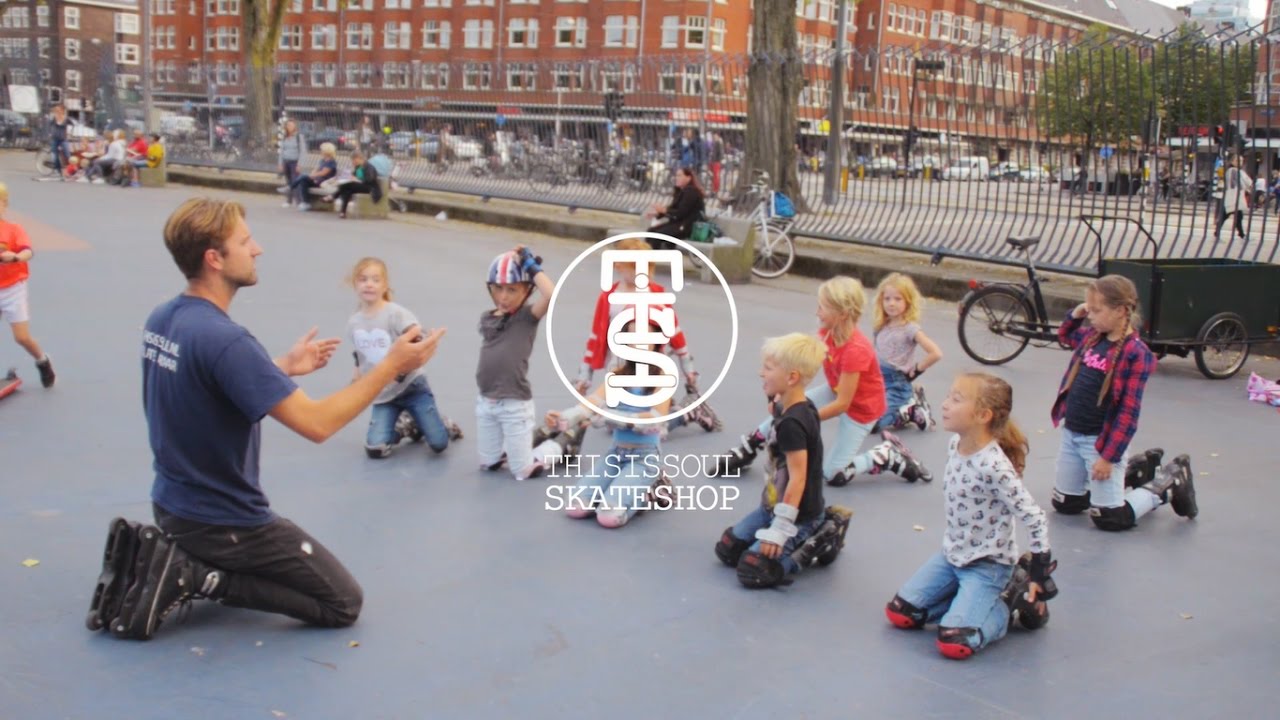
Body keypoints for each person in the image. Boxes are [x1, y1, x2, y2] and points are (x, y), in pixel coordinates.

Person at [89, 197, 444, 641]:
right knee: (341, 602)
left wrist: (279, 368)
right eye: (245, 241)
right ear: (214, 258)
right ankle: (197, 576)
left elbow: (205, 382)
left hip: (171, 507)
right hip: (224, 523)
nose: (257, 249)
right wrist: (392, 365)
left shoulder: (164, 317)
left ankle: (186, 557)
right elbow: (317, 423)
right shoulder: (228, 342)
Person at [884, 372, 1056, 660]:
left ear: (983, 415)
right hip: (952, 555)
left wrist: (1039, 570)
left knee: (955, 641)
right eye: (948, 396)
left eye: (956, 399)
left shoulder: (994, 467)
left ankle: (1009, 600)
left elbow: (1035, 517)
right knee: (902, 613)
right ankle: (968, 604)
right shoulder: (955, 444)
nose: (945, 404)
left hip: (987, 566)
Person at [711, 276, 931, 486]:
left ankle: (886, 455)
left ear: (842, 313)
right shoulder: (827, 332)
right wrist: (786, 394)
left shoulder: (856, 350)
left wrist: (803, 418)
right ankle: (750, 446)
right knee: (787, 407)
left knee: (834, 475)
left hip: (862, 409)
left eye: (823, 307)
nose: (817, 312)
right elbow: (807, 368)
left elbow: (843, 404)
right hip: (835, 389)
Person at [1049, 275, 1198, 532]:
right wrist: (1076, 313)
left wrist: (1108, 457)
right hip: (1073, 434)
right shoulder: (1093, 337)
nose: (1090, 316)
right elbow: (1065, 335)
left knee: (1109, 517)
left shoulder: (1135, 353)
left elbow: (1128, 413)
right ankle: (1135, 471)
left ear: (1120, 311)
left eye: (1096, 310)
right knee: (1066, 503)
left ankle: (1169, 481)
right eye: (1089, 310)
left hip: (1100, 442)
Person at [713, 333, 853, 589]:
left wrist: (780, 529)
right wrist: (772, 393)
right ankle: (780, 531)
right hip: (770, 506)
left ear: (791, 378)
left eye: (768, 368)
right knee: (727, 549)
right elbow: (774, 408)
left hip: (800, 515)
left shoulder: (793, 424)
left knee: (755, 569)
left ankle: (822, 536)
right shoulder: (791, 405)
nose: (761, 373)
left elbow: (797, 479)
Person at [574, 236, 719, 435]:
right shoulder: (608, 297)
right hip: (620, 364)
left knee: (652, 426)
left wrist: (689, 370)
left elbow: (675, 333)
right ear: (618, 265)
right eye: (635, 267)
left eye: (648, 267)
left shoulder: (655, 295)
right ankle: (669, 409)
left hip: (651, 365)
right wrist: (585, 375)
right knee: (613, 422)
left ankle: (687, 413)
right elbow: (595, 337)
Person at [550, 326, 675, 529]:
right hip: (615, 454)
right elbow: (591, 403)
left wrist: (611, 417)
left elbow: (655, 419)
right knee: (575, 507)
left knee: (608, 517)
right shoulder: (617, 375)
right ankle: (619, 491)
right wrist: (564, 417)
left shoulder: (662, 377)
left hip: (644, 458)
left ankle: (650, 492)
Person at [347, 257, 462, 458]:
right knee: (375, 449)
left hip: (412, 387)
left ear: (385, 285)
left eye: (375, 280)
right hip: (383, 394)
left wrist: (424, 341)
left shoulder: (395, 314)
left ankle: (440, 423)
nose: (369, 284)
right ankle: (407, 426)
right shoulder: (354, 322)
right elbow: (359, 353)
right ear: (354, 283)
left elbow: (415, 334)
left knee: (438, 444)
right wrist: (356, 377)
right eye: (363, 279)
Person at [476, 245, 558, 480]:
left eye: (512, 290)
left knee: (522, 471)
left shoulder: (527, 318)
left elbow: (551, 294)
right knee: (489, 463)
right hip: (486, 401)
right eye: (498, 288)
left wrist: (530, 266)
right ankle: (516, 448)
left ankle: (558, 447)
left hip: (514, 404)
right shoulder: (487, 317)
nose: (503, 296)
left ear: (526, 291)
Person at [872, 273, 942, 432]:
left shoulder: (910, 328)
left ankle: (910, 412)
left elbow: (936, 353)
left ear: (908, 302)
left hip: (896, 384)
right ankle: (902, 408)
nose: (891, 303)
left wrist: (916, 369)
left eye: (898, 299)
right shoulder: (881, 325)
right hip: (878, 381)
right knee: (858, 414)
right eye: (887, 299)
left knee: (872, 425)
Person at [0, 183, 55, 387]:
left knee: (21, 337)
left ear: (4, 204)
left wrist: (15, 257)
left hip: (12, 289)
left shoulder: (13, 229)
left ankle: (42, 361)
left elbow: (27, 252)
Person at [644, 167, 705, 249]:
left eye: (679, 176)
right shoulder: (681, 191)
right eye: (676, 176)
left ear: (688, 178)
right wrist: (658, 213)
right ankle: (650, 255)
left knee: (656, 236)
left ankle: (653, 256)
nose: (677, 178)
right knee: (651, 231)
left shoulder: (691, 192)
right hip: (678, 224)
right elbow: (673, 208)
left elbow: (680, 213)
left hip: (687, 226)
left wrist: (663, 210)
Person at [325, 150, 382, 219]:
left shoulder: (369, 167)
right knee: (347, 190)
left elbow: (370, 180)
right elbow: (354, 176)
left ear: (359, 158)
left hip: (369, 188)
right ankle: (342, 212)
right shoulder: (358, 167)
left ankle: (333, 196)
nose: (353, 162)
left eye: (354, 160)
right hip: (359, 186)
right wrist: (349, 177)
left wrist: (357, 179)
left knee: (348, 185)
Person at [290, 142, 338, 211]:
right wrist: (312, 175)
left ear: (326, 151)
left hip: (324, 182)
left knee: (303, 176)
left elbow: (323, 173)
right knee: (303, 181)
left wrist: (312, 176)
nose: (320, 151)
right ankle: (306, 203)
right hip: (317, 180)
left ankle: (290, 187)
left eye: (321, 150)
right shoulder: (322, 160)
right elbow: (316, 169)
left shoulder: (331, 162)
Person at [1214, 152, 1250, 241]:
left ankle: (1240, 234)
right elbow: (1236, 183)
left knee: (1234, 216)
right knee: (1232, 215)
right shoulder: (1233, 170)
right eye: (1237, 160)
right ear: (1232, 161)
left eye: (1241, 161)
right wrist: (1247, 188)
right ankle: (1241, 234)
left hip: (1234, 196)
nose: (1240, 162)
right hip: (1233, 196)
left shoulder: (1235, 171)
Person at [279, 120, 306, 208]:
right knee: (288, 182)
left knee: (295, 181)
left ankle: (300, 202)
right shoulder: (284, 137)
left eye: (291, 125)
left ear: (295, 127)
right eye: (288, 125)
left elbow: (302, 151)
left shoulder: (298, 137)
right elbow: (282, 151)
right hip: (286, 161)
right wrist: (280, 163)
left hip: (295, 162)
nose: (289, 127)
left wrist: (300, 164)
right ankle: (289, 200)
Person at [49, 105, 73, 178]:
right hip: (55, 138)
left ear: (62, 111)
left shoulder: (66, 119)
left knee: (67, 154)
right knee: (55, 155)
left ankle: (71, 169)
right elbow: (50, 125)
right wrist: (50, 133)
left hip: (63, 139)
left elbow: (72, 125)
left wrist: (69, 133)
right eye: (56, 111)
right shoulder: (54, 118)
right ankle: (58, 170)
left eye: (59, 110)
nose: (57, 112)